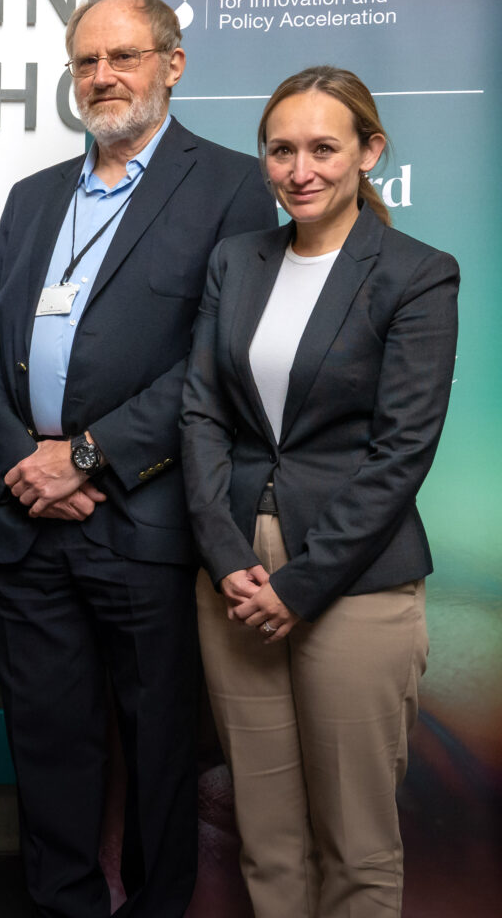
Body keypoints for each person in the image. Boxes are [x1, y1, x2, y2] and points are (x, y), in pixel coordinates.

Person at [0, 0, 276, 917]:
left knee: (158, 753)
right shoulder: (30, 198)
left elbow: (214, 361)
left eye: (123, 57)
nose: (102, 76)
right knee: (49, 744)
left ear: (171, 64)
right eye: (86, 62)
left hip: (142, 521)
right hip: (29, 523)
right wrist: (31, 462)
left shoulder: (229, 186)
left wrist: (88, 458)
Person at [181, 66, 456, 917]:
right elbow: (200, 415)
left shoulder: (416, 274)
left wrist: (300, 586)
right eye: (281, 150)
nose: (301, 169)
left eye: (324, 148)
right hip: (233, 578)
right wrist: (226, 557)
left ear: (369, 152)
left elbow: (401, 452)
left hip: (354, 580)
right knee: (265, 837)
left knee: (358, 845)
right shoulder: (237, 261)